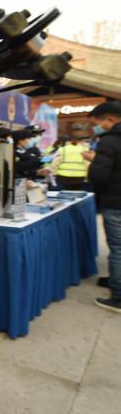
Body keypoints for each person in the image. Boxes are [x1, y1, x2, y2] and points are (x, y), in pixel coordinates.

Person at [87, 101, 121, 312]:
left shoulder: (109, 141)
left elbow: (99, 176)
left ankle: (118, 296)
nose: (96, 128)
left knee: (118, 249)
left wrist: (93, 161)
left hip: (115, 201)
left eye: (97, 123)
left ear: (110, 119)